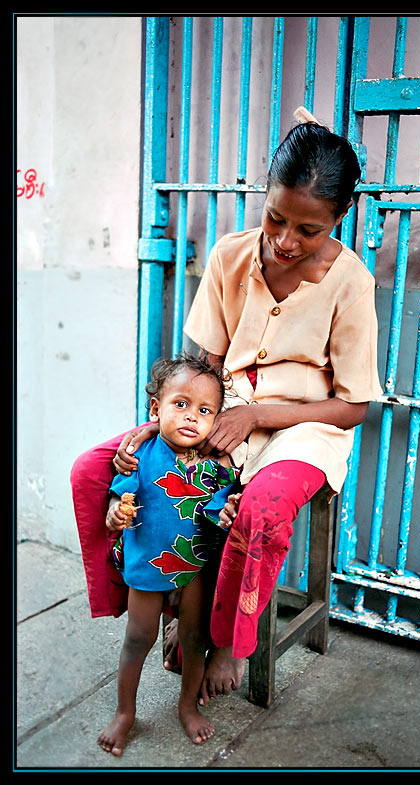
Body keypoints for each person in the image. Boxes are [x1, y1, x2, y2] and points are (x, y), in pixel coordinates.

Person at [71, 108, 382, 717]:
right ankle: (152, 598)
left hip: (305, 430)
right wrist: (164, 418)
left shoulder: (352, 285)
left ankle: (223, 642)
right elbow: (202, 365)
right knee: (92, 469)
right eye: (276, 217)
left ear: (340, 218)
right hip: (221, 413)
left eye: (309, 230)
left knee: (260, 510)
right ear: (265, 196)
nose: (286, 241)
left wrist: (259, 414)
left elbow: (354, 407)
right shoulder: (230, 256)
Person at [95, 354, 239, 754]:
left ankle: (187, 707)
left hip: (194, 567)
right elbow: (116, 499)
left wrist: (226, 513)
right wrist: (115, 514)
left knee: (194, 640)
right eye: (181, 404)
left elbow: (216, 509)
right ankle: (125, 712)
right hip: (146, 564)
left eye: (204, 410)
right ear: (156, 409)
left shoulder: (217, 465)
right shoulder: (139, 455)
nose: (192, 416)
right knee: (138, 639)